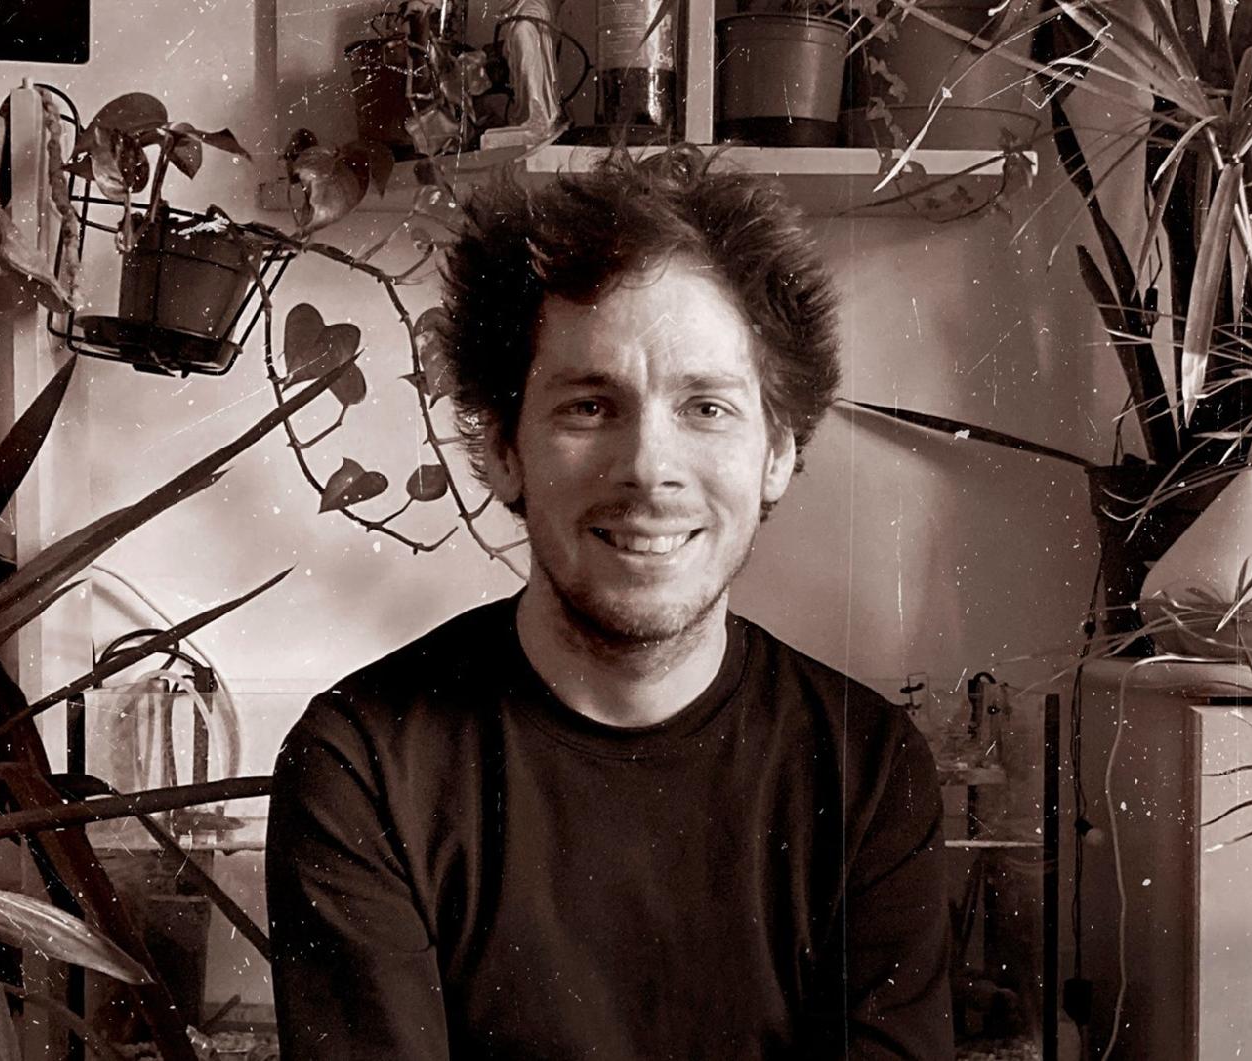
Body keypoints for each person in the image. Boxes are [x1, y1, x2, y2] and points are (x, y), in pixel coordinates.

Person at [266, 146, 953, 1060]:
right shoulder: (363, 766)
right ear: (502, 448)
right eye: (589, 407)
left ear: (779, 453)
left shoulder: (867, 770)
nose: (648, 469)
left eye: (706, 408)